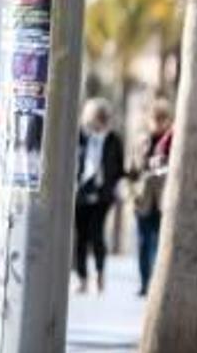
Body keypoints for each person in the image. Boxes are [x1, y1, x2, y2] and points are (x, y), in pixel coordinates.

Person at [75, 98, 124, 294]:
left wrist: (116, 185)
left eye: (102, 119)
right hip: (81, 192)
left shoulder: (113, 140)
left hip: (103, 195)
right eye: (95, 118)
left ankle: (99, 273)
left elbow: (119, 168)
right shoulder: (80, 136)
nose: (99, 123)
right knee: (81, 237)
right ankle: (82, 278)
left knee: (97, 235)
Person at [130, 98, 173, 296]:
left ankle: (157, 284)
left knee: (159, 244)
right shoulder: (142, 140)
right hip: (143, 199)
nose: (158, 122)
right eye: (155, 118)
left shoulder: (173, 141)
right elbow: (132, 169)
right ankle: (145, 282)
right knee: (143, 243)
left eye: (162, 118)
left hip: (164, 200)